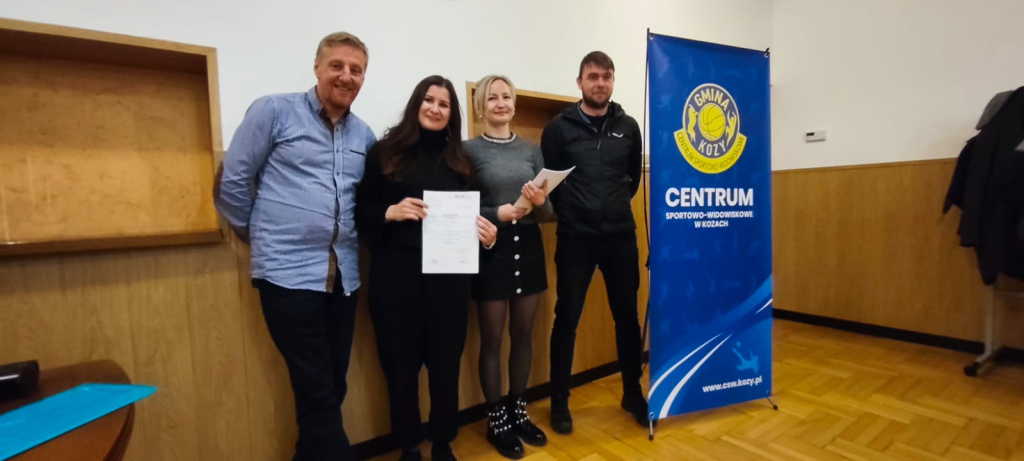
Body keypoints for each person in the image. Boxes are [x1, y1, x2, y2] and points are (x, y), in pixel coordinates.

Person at [215, 32, 374, 461]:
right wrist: (262, 236)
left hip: (343, 279)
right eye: (337, 65)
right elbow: (232, 183)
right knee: (318, 389)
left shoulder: (364, 135)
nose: (346, 76)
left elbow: (368, 199)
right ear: (317, 67)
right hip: (287, 276)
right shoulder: (273, 111)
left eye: (356, 70)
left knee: (330, 386)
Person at [355, 75, 498, 461]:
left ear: (453, 114)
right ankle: (408, 446)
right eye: (429, 100)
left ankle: (443, 442)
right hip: (395, 281)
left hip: (449, 285)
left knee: (445, 368)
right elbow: (361, 212)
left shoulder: (462, 163)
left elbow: (475, 220)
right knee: (400, 371)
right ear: (416, 103)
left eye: (444, 104)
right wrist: (390, 211)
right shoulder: (384, 154)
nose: (435, 108)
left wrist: (487, 237)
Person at [541, 51, 649, 434]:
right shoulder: (558, 128)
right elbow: (550, 182)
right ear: (580, 83)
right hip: (576, 239)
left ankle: (632, 393)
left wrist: (611, 209)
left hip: (620, 237)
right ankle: (559, 401)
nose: (600, 83)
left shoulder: (629, 127)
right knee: (566, 319)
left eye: (606, 76)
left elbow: (632, 180)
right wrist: (575, 212)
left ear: (613, 81)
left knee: (627, 318)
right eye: (592, 76)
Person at [464, 75, 551, 459]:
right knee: (492, 339)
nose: (501, 103)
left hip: (528, 247)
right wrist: (494, 214)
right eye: (492, 98)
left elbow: (548, 213)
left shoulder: (533, 151)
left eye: (506, 96)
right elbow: (460, 207)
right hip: (490, 249)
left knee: (524, 335)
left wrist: (540, 201)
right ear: (480, 107)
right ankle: (496, 418)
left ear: (514, 103)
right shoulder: (467, 150)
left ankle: (518, 410)